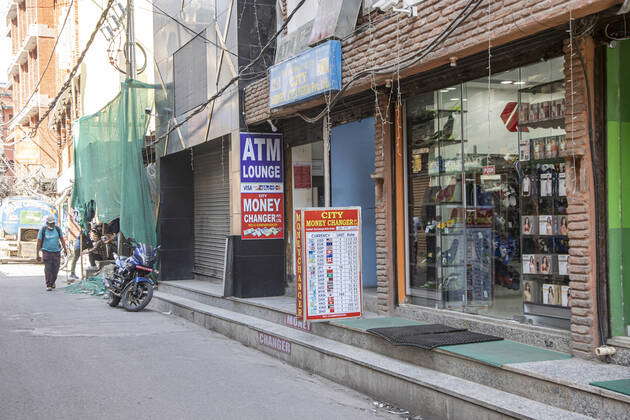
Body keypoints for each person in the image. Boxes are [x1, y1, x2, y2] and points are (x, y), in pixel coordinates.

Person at [36, 216, 68, 291]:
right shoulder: (43, 230)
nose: (52, 225)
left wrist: (65, 249)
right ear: (47, 223)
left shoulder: (57, 229)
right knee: (48, 268)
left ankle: (53, 282)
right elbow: (39, 242)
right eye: (50, 224)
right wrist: (37, 254)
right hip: (46, 251)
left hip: (56, 252)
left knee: (56, 269)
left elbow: (62, 239)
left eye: (53, 223)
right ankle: (48, 284)